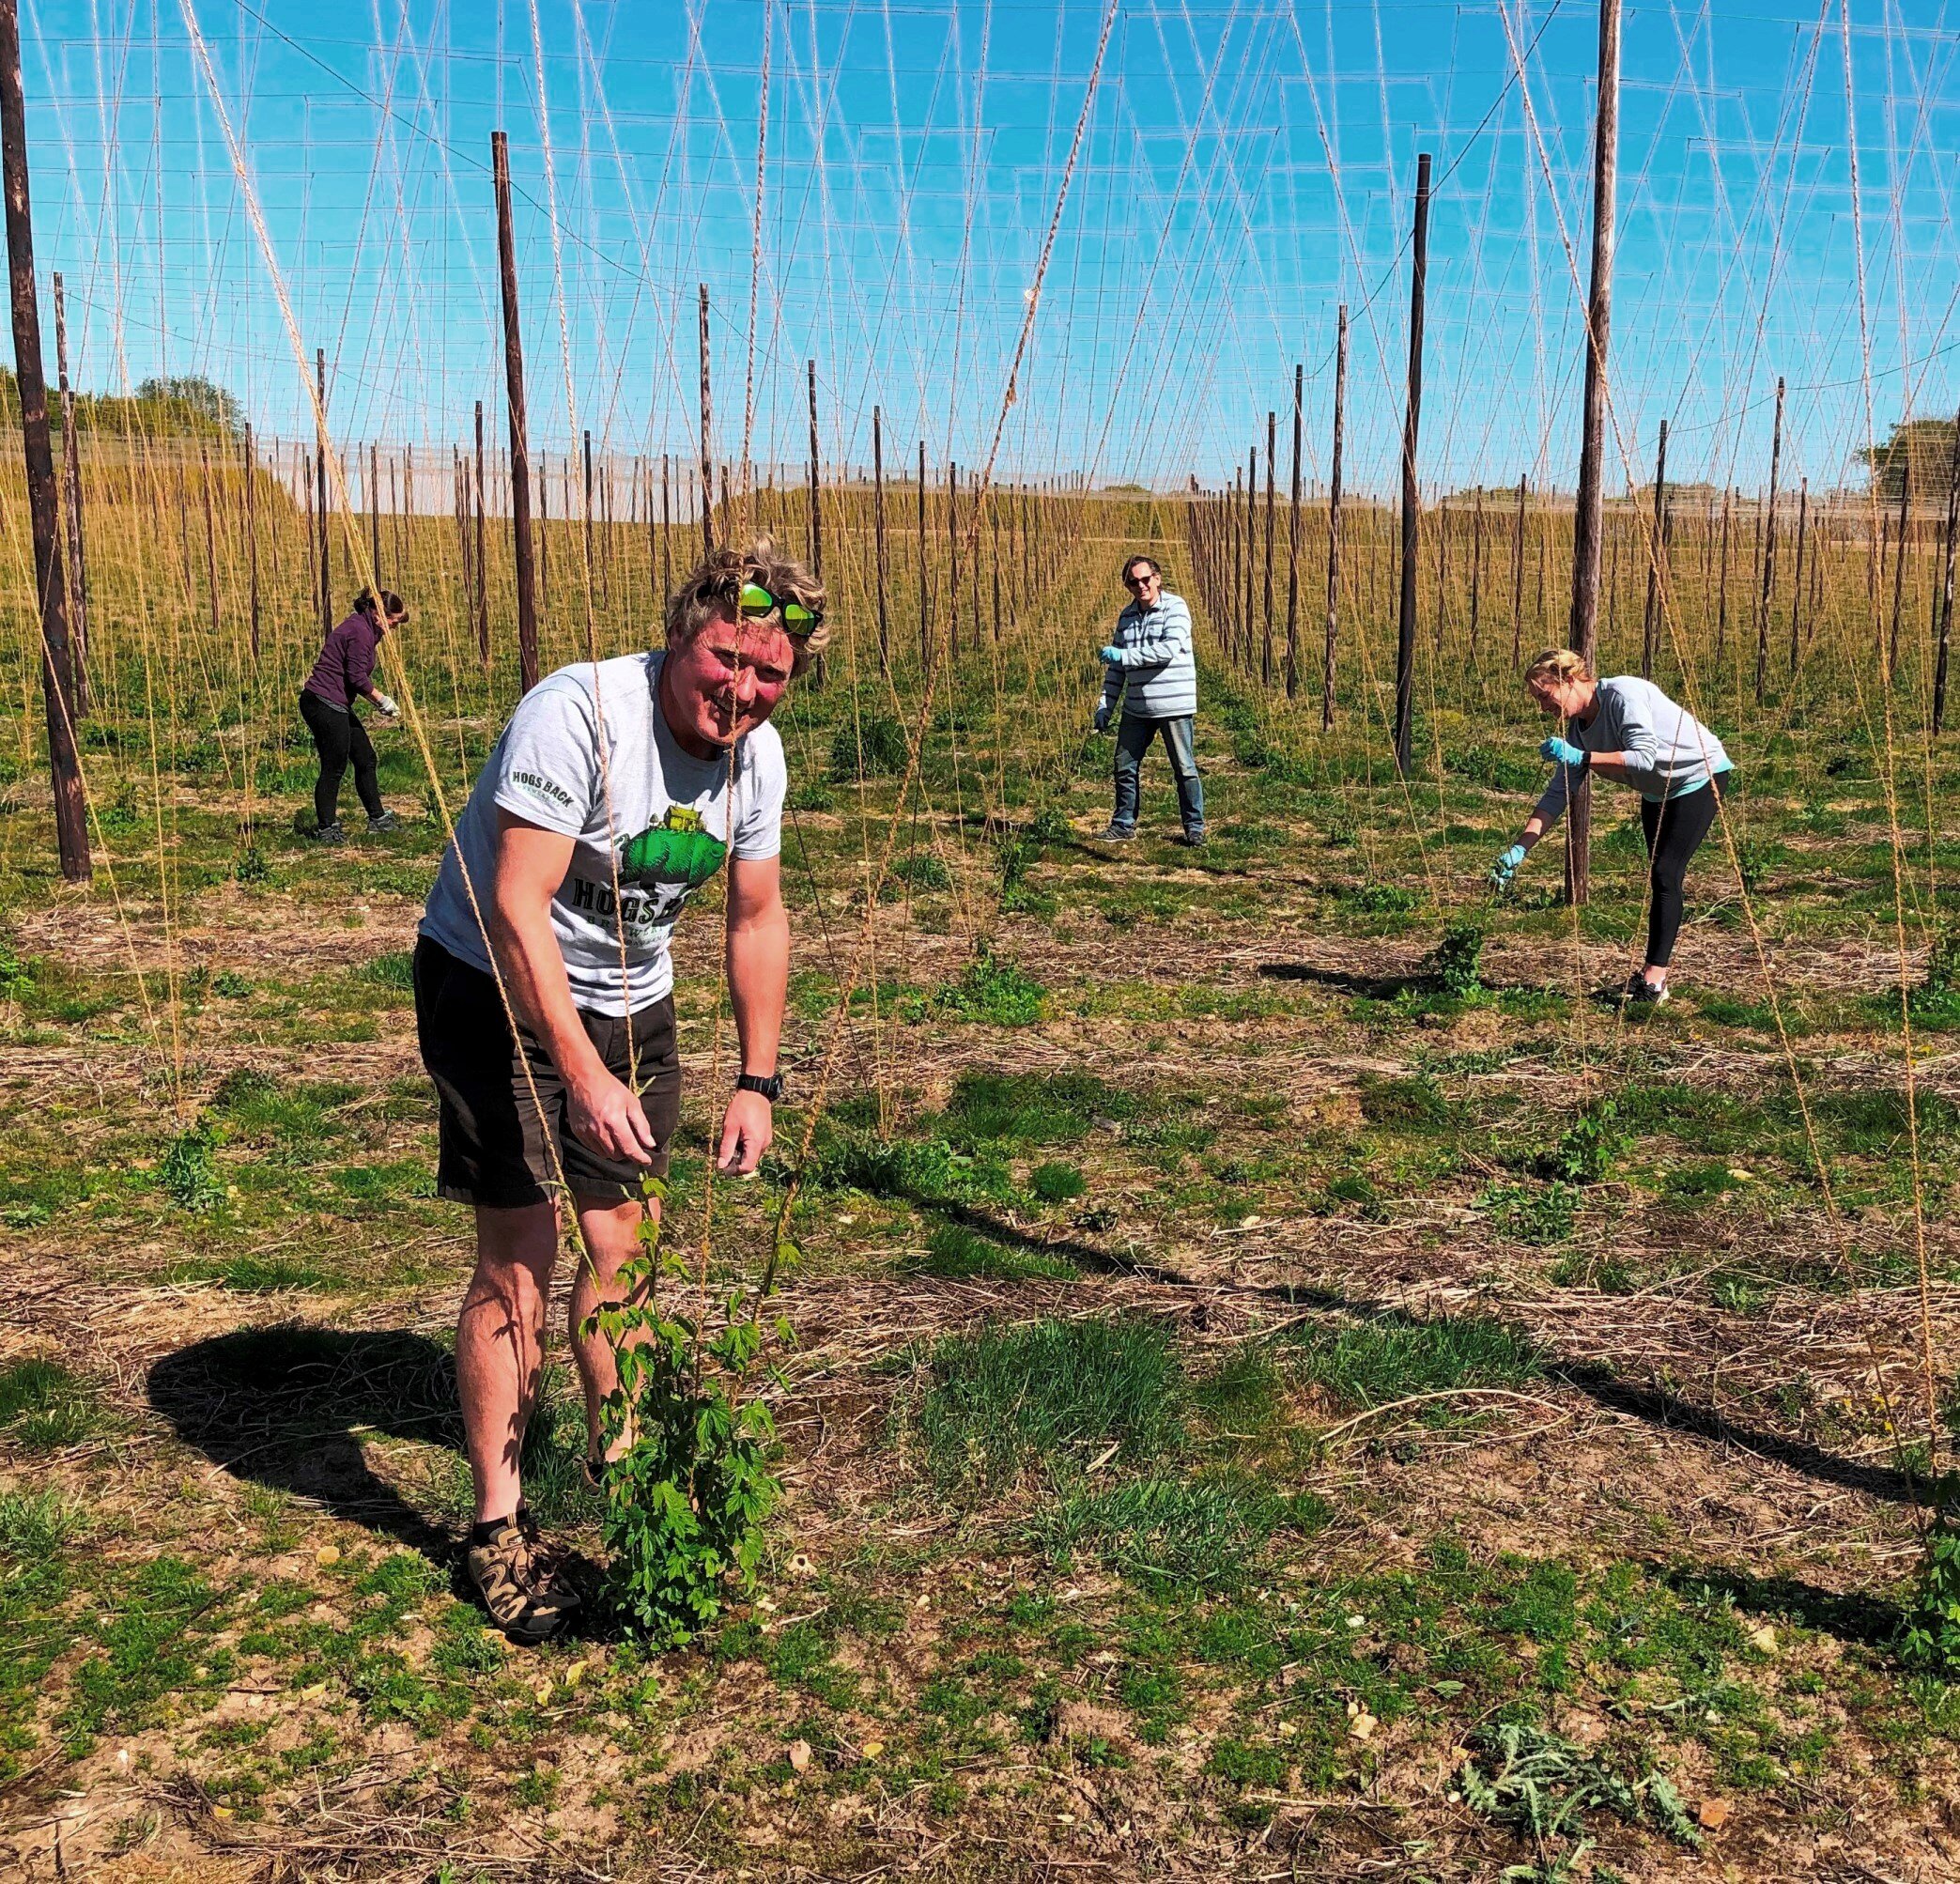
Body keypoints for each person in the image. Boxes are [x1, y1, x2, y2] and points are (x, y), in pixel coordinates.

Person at [412, 539, 826, 1645]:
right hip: (492, 978)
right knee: (522, 1246)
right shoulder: (579, 714)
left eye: (769, 673)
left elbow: (753, 915)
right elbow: (516, 899)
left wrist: (757, 1077)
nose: (741, 691)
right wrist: (581, 1072)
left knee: (627, 1248)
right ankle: (496, 1529)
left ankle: (632, 1491)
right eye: (726, 659)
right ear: (681, 633)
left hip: (630, 996)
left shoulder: (758, 760)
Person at [1491, 648, 1735, 1005]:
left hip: (1699, 776)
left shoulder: (1623, 694)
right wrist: (1520, 849)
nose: (1543, 707)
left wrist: (1584, 758)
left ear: (1569, 680)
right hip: (1657, 791)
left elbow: (1643, 756)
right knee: (1659, 874)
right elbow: (1556, 796)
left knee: (1667, 874)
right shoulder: (1577, 732)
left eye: (1545, 696)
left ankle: (1653, 983)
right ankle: (1653, 978)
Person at [1094, 555, 1205, 845]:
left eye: (1145, 579)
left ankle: (1194, 828)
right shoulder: (1126, 617)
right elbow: (1116, 669)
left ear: (1157, 578)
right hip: (1137, 706)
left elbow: (1167, 649)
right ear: (1127, 585)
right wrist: (1105, 704)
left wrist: (1125, 655)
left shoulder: (1176, 608)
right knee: (1123, 765)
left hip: (1174, 705)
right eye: (1133, 581)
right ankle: (1123, 824)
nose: (1141, 585)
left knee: (1184, 768)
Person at [301, 587, 405, 842]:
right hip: (323, 702)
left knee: (365, 758)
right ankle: (327, 828)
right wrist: (382, 701)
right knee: (334, 767)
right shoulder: (360, 632)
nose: (394, 627)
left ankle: (377, 819)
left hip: (337, 703)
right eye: (393, 621)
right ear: (378, 613)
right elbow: (356, 677)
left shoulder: (367, 628)